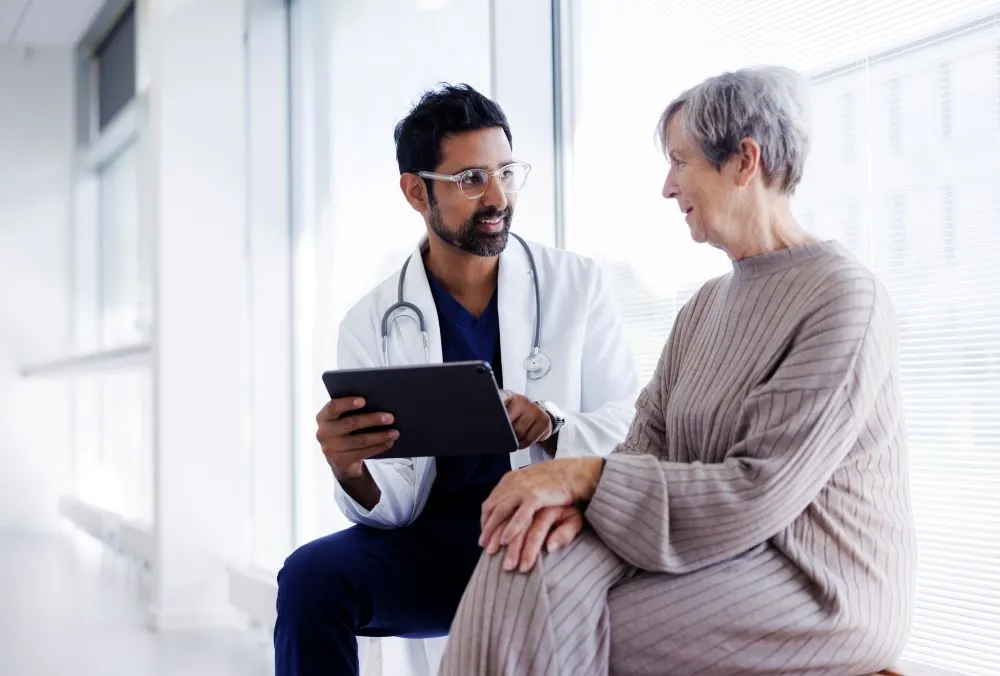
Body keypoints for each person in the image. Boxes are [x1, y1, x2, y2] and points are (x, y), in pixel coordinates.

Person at [438, 66, 917, 676]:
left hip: (815, 581)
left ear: (744, 161)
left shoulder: (843, 298)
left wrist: (584, 481)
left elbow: (757, 490)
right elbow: (646, 445)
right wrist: (571, 500)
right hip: (709, 549)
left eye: (680, 160)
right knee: (519, 559)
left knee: (560, 623)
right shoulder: (704, 308)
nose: (667, 186)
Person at [272, 83, 639, 676]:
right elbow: (389, 507)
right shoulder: (371, 322)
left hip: (547, 534)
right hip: (434, 551)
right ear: (416, 192)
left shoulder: (578, 286)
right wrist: (350, 469)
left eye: (506, 172)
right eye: (470, 179)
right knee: (310, 580)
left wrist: (553, 423)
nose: (497, 196)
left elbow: (632, 425)